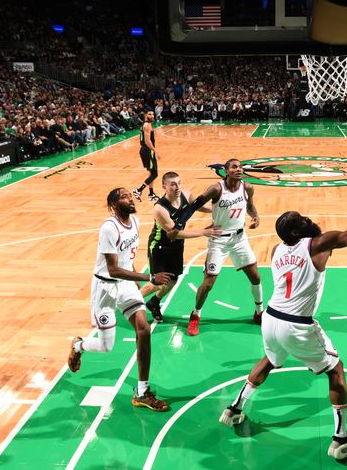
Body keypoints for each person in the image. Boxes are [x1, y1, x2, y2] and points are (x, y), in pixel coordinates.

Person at [218, 208, 347, 461]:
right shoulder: (317, 244)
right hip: (296, 325)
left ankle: (234, 409)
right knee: (336, 370)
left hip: (271, 318)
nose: (308, 220)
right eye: (302, 220)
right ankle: (341, 439)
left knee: (270, 360)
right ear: (296, 231)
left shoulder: (277, 249)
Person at [67, 188, 174, 412]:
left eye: (130, 195)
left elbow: (127, 258)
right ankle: (79, 345)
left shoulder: (134, 222)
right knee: (106, 346)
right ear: (114, 205)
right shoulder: (109, 228)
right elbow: (113, 269)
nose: (131, 199)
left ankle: (142, 392)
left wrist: (134, 277)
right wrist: (148, 277)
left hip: (125, 284)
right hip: (105, 288)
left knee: (144, 329)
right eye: (124, 197)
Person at [174, 159, 263, 336]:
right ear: (226, 171)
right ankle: (195, 315)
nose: (239, 169)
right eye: (234, 167)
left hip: (239, 239)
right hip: (219, 241)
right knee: (208, 283)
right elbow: (194, 205)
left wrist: (255, 216)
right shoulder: (216, 189)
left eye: (240, 167)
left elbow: (250, 206)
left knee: (255, 276)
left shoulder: (248, 187)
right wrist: (179, 224)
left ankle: (259, 312)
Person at [143, 172, 222, 322]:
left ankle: (154, 302)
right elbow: (175, 233)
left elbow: (196, 207)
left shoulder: (185, 194)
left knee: (172, 280)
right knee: (156, 282)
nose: (177, 187)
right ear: (164, 187)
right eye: (172, 184)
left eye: (179, 183)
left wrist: (215, 210)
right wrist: (203, 232)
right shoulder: (160, 209)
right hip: (160, 247)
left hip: (176, 247)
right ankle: (131, 304)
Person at [133, 111, 159, 202]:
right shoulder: (147, 126)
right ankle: (138, 190)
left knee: (151, 173)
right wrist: (155, 151)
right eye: (150, 114)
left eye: (153, 114)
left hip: (146, 150)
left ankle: (151, 194)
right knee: (155, 174)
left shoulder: (146, 124)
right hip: (148, 150)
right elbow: (148, 141)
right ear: (145, 115)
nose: (152, 116)